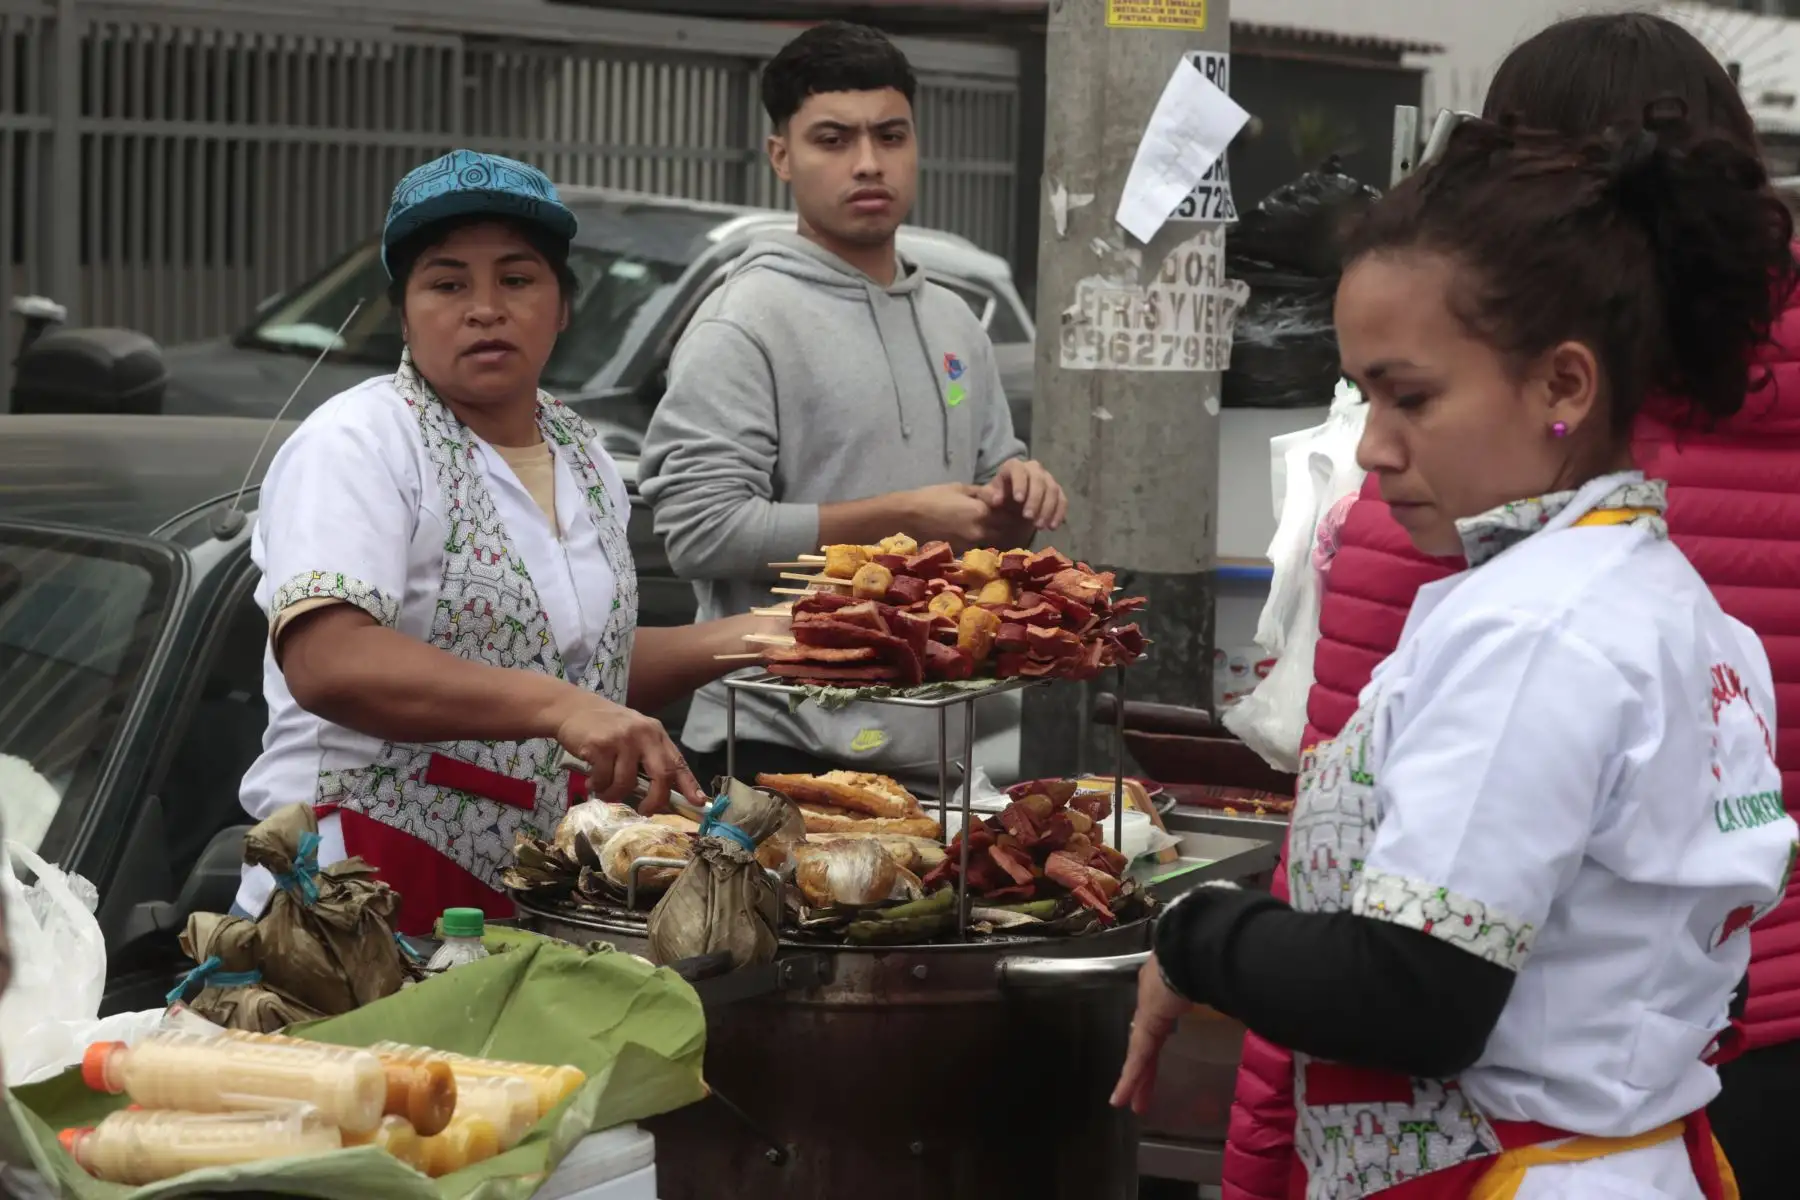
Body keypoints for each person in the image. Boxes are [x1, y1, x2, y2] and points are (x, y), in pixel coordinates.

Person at [1115, 101, 1800, 1198]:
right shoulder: (1677, 610)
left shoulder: (1539, 630)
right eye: (1360, 394)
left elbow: (1415, 994)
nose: (1374, 448)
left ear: (1563, 387)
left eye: (1411, 397)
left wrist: (1196, 930)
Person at [231, 150, 778, 935]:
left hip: (523, 894)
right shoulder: (360, 441)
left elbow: (583, 669)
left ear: (561, 307)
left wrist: (757, 637)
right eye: (447, 283)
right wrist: (560, 709)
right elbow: (329, 662)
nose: (484, 308)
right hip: (355, 897)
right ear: (405, 310)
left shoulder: (582, 454)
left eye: (517, 280)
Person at [639, 21, 1064, 788]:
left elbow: (985, 475)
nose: (868, 163)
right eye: (832, 139)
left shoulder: (955, 321)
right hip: (776, 748)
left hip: (943, 741)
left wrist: (1014, 490)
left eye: (890, 135)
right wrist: (906, 515)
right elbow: (699, 536)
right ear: (782, 157)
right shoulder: (744, 322)